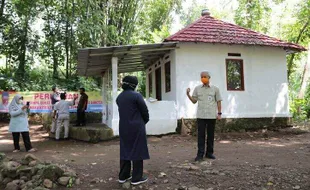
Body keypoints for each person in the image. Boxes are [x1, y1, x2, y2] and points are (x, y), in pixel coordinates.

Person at [116, 76, 150, 185]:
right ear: (133, 85)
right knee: (137, 150)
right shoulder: (137, 96)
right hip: (136, 127)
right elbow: (144, 111)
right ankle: (136, 178)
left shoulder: (119, 97)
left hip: (123, 127)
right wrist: (143, 121)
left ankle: (123, 176)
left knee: (125, 149)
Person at [186, 71, 222, 161]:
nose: (203, 78)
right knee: (200, 136)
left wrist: (219, 113)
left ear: (209, 77)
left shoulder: (215, 89)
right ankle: (200, 154)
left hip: (211, 116)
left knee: (210, 135)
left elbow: (219, 101)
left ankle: (209, 153)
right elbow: (194, 101)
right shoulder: (197, 89)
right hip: (201, 116)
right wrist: (188, 95)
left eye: (205, 76)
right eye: (201, 77)